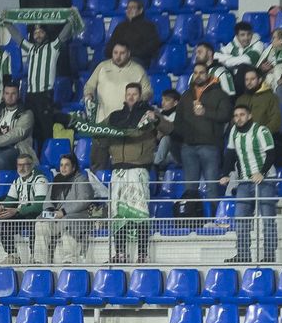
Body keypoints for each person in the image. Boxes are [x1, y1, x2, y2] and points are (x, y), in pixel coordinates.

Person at [102, 84, 162, 263]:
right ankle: (120, 253)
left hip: (138, 169)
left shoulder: (149, 114)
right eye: (128, 93)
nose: (131, 97)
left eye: (134, 94)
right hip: (117, 170)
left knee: (140, 211)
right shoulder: (115, 116)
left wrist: (156, 118)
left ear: (140, 96)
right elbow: (99, 132)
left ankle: (142, 254)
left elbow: (168, 129)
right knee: (117, 212)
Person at [218, 105, 277, 264]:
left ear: (249, 116)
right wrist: (225, 174)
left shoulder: (261, 131)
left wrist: (262, 173)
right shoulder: (234, 132)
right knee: (241, 219)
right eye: (236, 115)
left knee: (267, 219)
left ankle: (270, 256)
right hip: (244, 181)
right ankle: (243, 254)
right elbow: (229, 154)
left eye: (242, 115)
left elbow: (271, 154)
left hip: (265, 181)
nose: (238, 118)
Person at [175, 61, 234, 211]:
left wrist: (205, 112)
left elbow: (226, 115)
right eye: (195, 72)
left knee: (212, 186)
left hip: (210, 146)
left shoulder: (220, 94)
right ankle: (192, 218)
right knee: (190, 188)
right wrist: (183, 139)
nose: (198, 75)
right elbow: (178, 121)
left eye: (202, 72)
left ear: (208, 75)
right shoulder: (186, 95)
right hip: (188, 147)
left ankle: (213, 219)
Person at [10, 19, 76, 149]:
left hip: (44, 94)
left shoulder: (53, 47)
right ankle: (63, 118)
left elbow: (63, 34)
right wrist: (7, 23)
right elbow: (18, 38)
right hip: (29, 96)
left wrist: (71, 20)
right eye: (35, 33)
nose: (38, 35)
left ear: (46, 33)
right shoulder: (31, 48)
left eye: (41, 32)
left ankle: (47, 157)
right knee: (32, 130)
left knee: (46, 129)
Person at [0, 151, 49, 263]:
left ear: (32, 166)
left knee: (33, 220)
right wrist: (2, 208)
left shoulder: (40, 180)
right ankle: (13, 255)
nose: (22, 168)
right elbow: (10, 199)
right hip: (21, 212)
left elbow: (39, 206)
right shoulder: (17, 181)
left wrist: (17, 210)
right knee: (3, 219)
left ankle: (34, 257)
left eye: (25, 165)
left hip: (37, 214)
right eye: (19, 165)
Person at [42, 152, 103, 264]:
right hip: (57, 218)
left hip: (76, 217)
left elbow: (84, 200)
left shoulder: (81, 180)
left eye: (67, 165)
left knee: (67, 221)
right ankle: (40, 260)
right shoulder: (57, 180)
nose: (63, 168)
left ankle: (69, 260)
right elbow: (47, 201)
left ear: (73, 167)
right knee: (41, 223)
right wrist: (50, 211)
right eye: (61, 165)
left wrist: (63, 212)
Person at [82, 42, 152, 126]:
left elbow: (148, 91)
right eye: (115, 53)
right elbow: (89, 86)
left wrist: (140, 100)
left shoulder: (138, 70)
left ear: (128, 53)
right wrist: (89, 95)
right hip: (103, 121)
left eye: (122, 53)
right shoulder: (102, 67)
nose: (118, 56)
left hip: (128, 123)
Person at [104, 0, 162, 68]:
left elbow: (152, 47)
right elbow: (111, 45)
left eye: (133, 8)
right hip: (118, 58)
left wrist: (129, 53)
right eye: (128, 8)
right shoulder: (120, 27)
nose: (129, 10)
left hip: (137, 59)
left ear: (140, 10)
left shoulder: (148, 27)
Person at [216, 21, 269, 96]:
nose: (246, 38)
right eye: (242, 35)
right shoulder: (232, 45)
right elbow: (216, 55)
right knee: (216, 66)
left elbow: (248, 60)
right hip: (234, 77)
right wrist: (231, 59)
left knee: (243, 67)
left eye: (249, 34)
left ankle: (235, 98)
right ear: (237, 36)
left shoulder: (258, 44)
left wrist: (227, 61)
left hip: (251, 76)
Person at [235, 67, 282, 136]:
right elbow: (234, 121)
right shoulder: (241, 99)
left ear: (259, 80)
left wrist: (261, 134)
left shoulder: (271, 97)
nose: (249, 82)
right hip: (242, 140)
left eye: (252, 79)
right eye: (246, 80)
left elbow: (276, 121)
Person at [260, 27, 282, 91]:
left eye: (273, 38)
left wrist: (274, 68)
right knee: (269, 77)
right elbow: (264, 64)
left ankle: (280, 94)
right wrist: (265, 68)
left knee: (277, 69)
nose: (271, 41)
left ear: (281, 40)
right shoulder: (271, 50)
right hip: (276, 74)